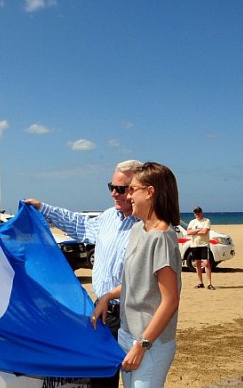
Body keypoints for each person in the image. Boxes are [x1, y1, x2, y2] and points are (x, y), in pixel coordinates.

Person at [24, 159, 143, 388]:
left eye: (121, 189)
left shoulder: (148, 226)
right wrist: (42, 208)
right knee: (99, 380)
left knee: (134, 381)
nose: (114, 194)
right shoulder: (108, 217)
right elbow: (79, 224)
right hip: (103, 313)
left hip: (134, 317)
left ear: (137, 189)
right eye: (111, 187)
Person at [91, 161, 182, 387]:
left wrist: (142, 345)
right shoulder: (137, 230)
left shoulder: (161, 238)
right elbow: (136, 282)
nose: (128, 196)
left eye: (132, 190)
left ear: (150, 192)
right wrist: (107, 296)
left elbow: (170, 301)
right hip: (127, 335)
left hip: (151, 344)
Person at [187, 206, 214, 290]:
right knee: (197, 264)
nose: (197, 214)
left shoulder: (206, 221)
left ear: (201, 212)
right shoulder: (192, 222)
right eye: (196, 213)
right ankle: (200, 282)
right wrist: (198, 231)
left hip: (204, 245)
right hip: (194, 245)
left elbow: (205, 232)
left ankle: (209, 283)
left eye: (199, 212)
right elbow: (188, 232)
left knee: (206, 263)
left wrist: (194, 232)